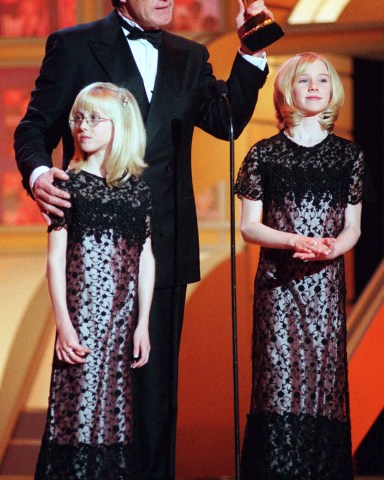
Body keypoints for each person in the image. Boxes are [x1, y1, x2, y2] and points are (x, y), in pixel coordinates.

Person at [14, 1, 273, 478]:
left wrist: (248, 50)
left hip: (164, 246)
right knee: (86, 394)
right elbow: (35, 125)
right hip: (92, 255)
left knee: (154, 401)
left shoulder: (189, 55)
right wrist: (36, 175)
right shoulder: (74, 45)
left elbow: (227, 121)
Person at [235, 52, 364, 479]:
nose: (314, 87)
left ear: (332, 91)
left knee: (322, 389)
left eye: (323, 80)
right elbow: (249, 228)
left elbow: (352, 229)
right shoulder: (262, 154)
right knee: (278, 388)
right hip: (277, 289)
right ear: (287, 89)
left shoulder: (348, 157)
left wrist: (330, 250)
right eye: (304, 79)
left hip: (325, 288)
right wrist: (295, 240)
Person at [35, 82, 155, 479]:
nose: (83, 125)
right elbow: (54, 261)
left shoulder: (137, 193)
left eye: (94, 118)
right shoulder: (65, 187)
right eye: (79, 117)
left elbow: (145, 258)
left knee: (112, 416)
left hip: (121, 325)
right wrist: (64, 326)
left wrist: (142, 325)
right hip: (82, 321)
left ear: (120, 125)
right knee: (78, 415)